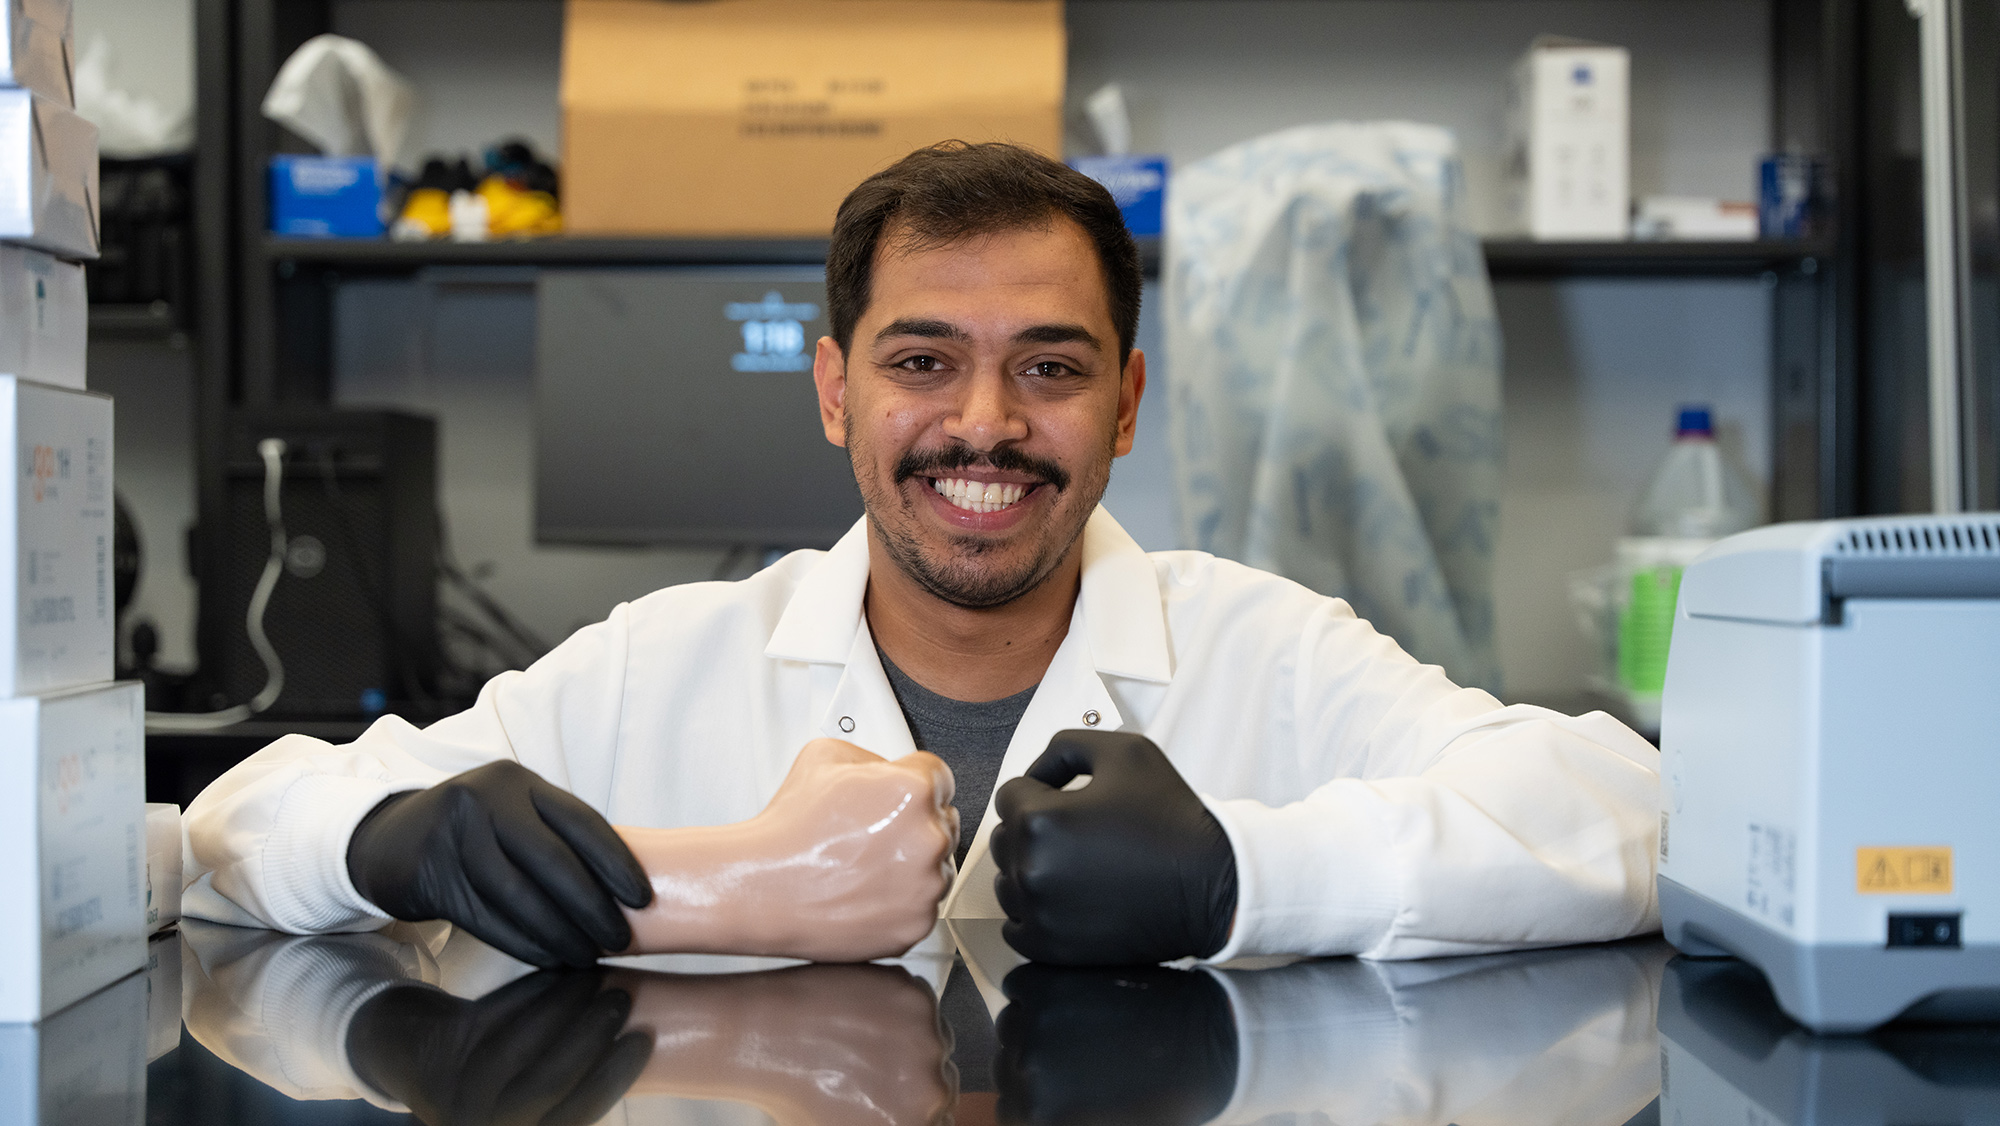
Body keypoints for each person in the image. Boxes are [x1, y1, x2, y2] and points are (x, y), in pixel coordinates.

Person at [183, 141, 1660, 969]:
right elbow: (225, 838)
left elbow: (1636, 814)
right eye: (923, 361)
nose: (983, 425)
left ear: (1128, 403)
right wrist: (395, 839)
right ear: (835, 390)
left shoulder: (1267, 651)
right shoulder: (663, 662)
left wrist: (1246, 876)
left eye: (1053, 369)